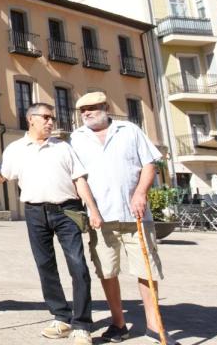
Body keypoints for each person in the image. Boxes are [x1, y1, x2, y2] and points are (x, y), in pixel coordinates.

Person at [0, 102, 103, 345]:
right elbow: (1, 177)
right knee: (45, 266)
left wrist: (93, 210)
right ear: (30, 119)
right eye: (46, 117)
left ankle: (82, 325)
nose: (51, 122)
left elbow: (80, 181)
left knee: (78, 266)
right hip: (34, 212)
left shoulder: (63, 147)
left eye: (52, 118)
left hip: (67, 211)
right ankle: (62, 317)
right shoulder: (15, 149)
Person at [71, 92, 177, 344]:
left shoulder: (129, 130)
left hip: (136, 215)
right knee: (107, 271)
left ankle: (154, 326)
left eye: (92, 108)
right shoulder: (77, 138)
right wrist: (92, 210)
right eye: (83, 109)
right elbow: (79, 178)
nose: (87, 112)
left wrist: (141, 193)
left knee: (146, 270)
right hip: (101, 217)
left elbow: (150, 164)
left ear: (106, 107)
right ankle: (118, 323)